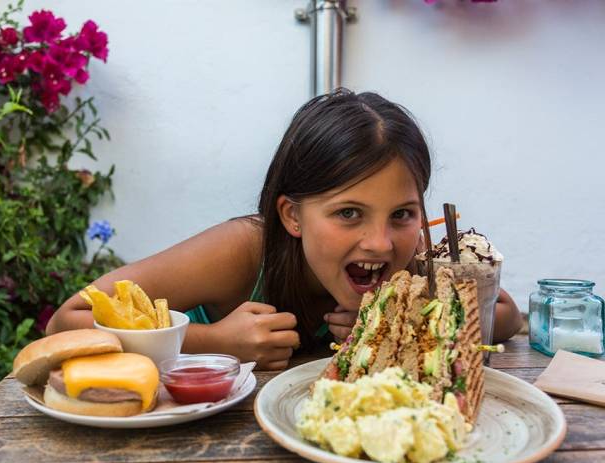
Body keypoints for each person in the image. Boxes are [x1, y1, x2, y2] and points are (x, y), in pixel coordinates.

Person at [47, 89, 522, 369]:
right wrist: (213, 342)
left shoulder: (412, 253)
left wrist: (401, 324)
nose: (381, 241)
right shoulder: (242, 250)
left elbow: (504, 315)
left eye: (402, 213)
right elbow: (67, 320)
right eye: (349, 213)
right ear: (292, 216)